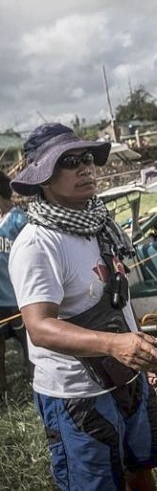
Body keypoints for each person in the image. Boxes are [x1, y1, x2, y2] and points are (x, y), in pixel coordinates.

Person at [8, 123, 157, 491]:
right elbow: (39, 327)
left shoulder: (99, 223)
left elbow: (116, 300)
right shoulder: (37, 244)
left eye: (86, 158)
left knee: (141, 468)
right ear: (44, 178)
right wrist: (115, 345)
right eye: (68, 162)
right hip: (77, 394)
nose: (85, 168)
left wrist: (142, 358)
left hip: (126, 377)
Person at [0, 171, 29, 400]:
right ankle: (3, 393)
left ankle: (36, 382)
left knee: (29, 345)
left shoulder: (21, 221)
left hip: (19, 299)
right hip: (1, 301)